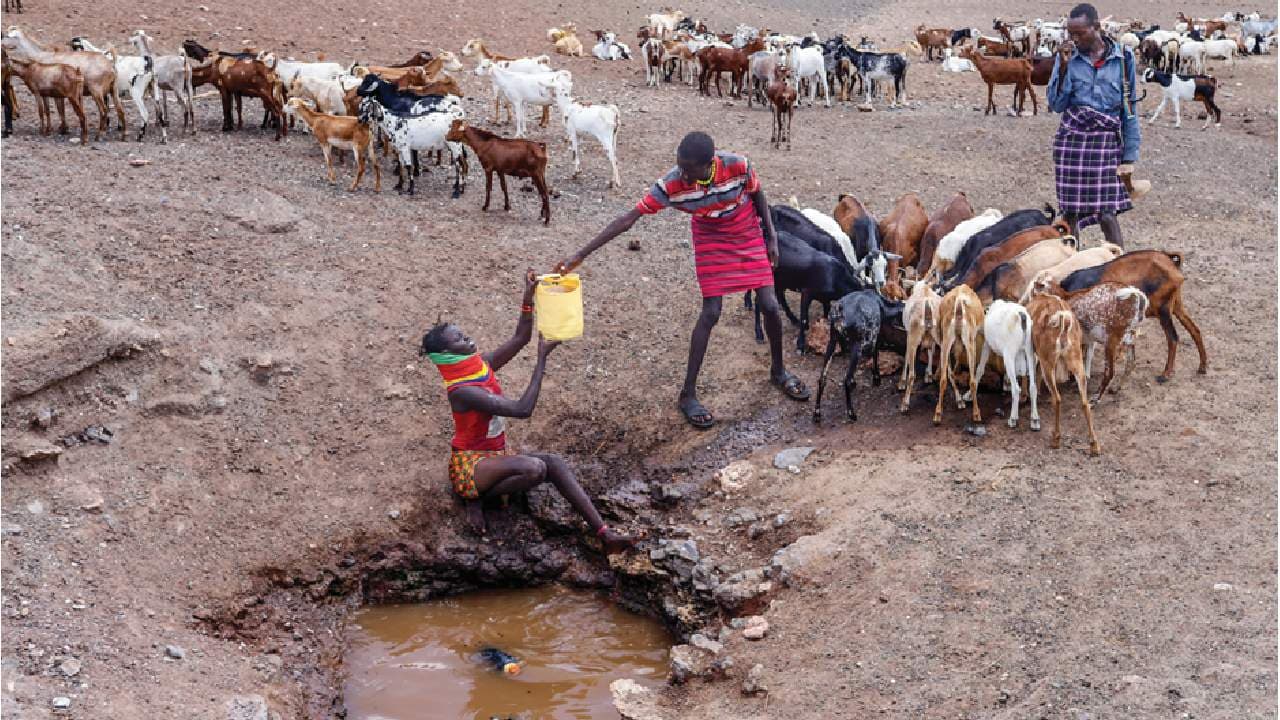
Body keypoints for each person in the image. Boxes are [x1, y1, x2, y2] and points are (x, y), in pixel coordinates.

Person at [555, 131, 809, 430]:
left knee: (769, 304)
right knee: (711, 312)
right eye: (680, 167)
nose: (683, 175)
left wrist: (771, 237)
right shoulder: (672, 183)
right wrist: (580, 255)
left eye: (690, 170)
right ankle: (687, 395)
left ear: (710, 163)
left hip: (745, 229)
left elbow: (757, 195)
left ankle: (778, 371)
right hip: (710, 235)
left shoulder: (738, 166)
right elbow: (628, 220)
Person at [419, 269, 632, 553]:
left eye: (464, 334)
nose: (468, 340)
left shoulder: (480, 366)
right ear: (448, 354)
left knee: (552, 462)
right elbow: (522, 409)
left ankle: (604, 533)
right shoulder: (462, 390)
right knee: (534, 468)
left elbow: (520, 338)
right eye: (459, 340)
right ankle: (474, 496)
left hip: (495, 455)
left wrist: (527, 297)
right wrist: (541, 360)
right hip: (470, 466)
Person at [1048, 3, 1146, 248]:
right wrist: (1061, 66)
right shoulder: (1068, 58)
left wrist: (1129, 156)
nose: (1075, 39)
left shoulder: (1123, 59)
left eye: (1080, 33)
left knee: (1107, 211)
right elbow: (1057, 105)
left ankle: (1118, 263)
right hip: (1072, 141)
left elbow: (1129, 108)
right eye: (1071, 33)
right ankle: (1070, 266)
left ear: (1097, 28)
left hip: (1104, 143)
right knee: (1070, 212)